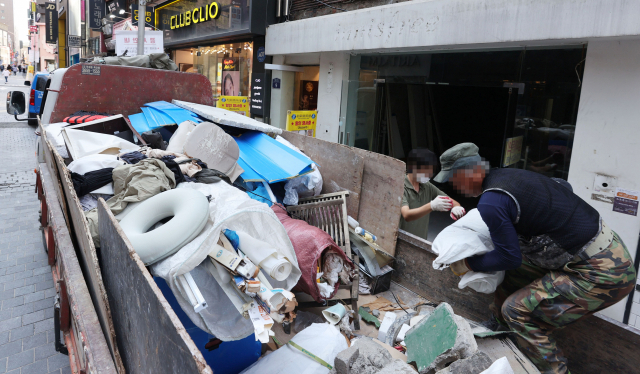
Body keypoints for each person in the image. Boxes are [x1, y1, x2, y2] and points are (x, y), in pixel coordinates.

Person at [432, 143, 636, 374]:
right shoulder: (512, 175)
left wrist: (468, 264)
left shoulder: (492, 201)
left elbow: (508, 257)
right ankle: (500, 326)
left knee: (516, 311)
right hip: (607, 250)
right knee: (519, 270)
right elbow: (563, 186)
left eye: (455, 180)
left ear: (471, 172)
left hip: (603, 273)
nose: (455, 187)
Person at [400, 148, 466, 240]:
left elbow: (452, 202)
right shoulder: (400, 185)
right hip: (400, 241)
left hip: (420, 241)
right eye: (425, 171)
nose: (428, 175)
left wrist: (456, 207)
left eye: (430, 172)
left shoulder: (426, 186)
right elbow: (407, 215)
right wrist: (431, 206)